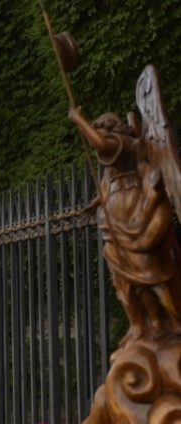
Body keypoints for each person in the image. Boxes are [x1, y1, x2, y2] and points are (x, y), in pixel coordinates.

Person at [69, 106, 181, 344]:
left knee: (149, 276)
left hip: (135, 220)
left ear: (111, 128)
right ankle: (142, 325)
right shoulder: (113, 162)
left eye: (101, 129)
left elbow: (101, 144)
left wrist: (79, 120)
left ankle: (169, 322)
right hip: (115, 223)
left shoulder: (125, 145)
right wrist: (95, 204)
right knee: (126, 281)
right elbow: (107, 184)